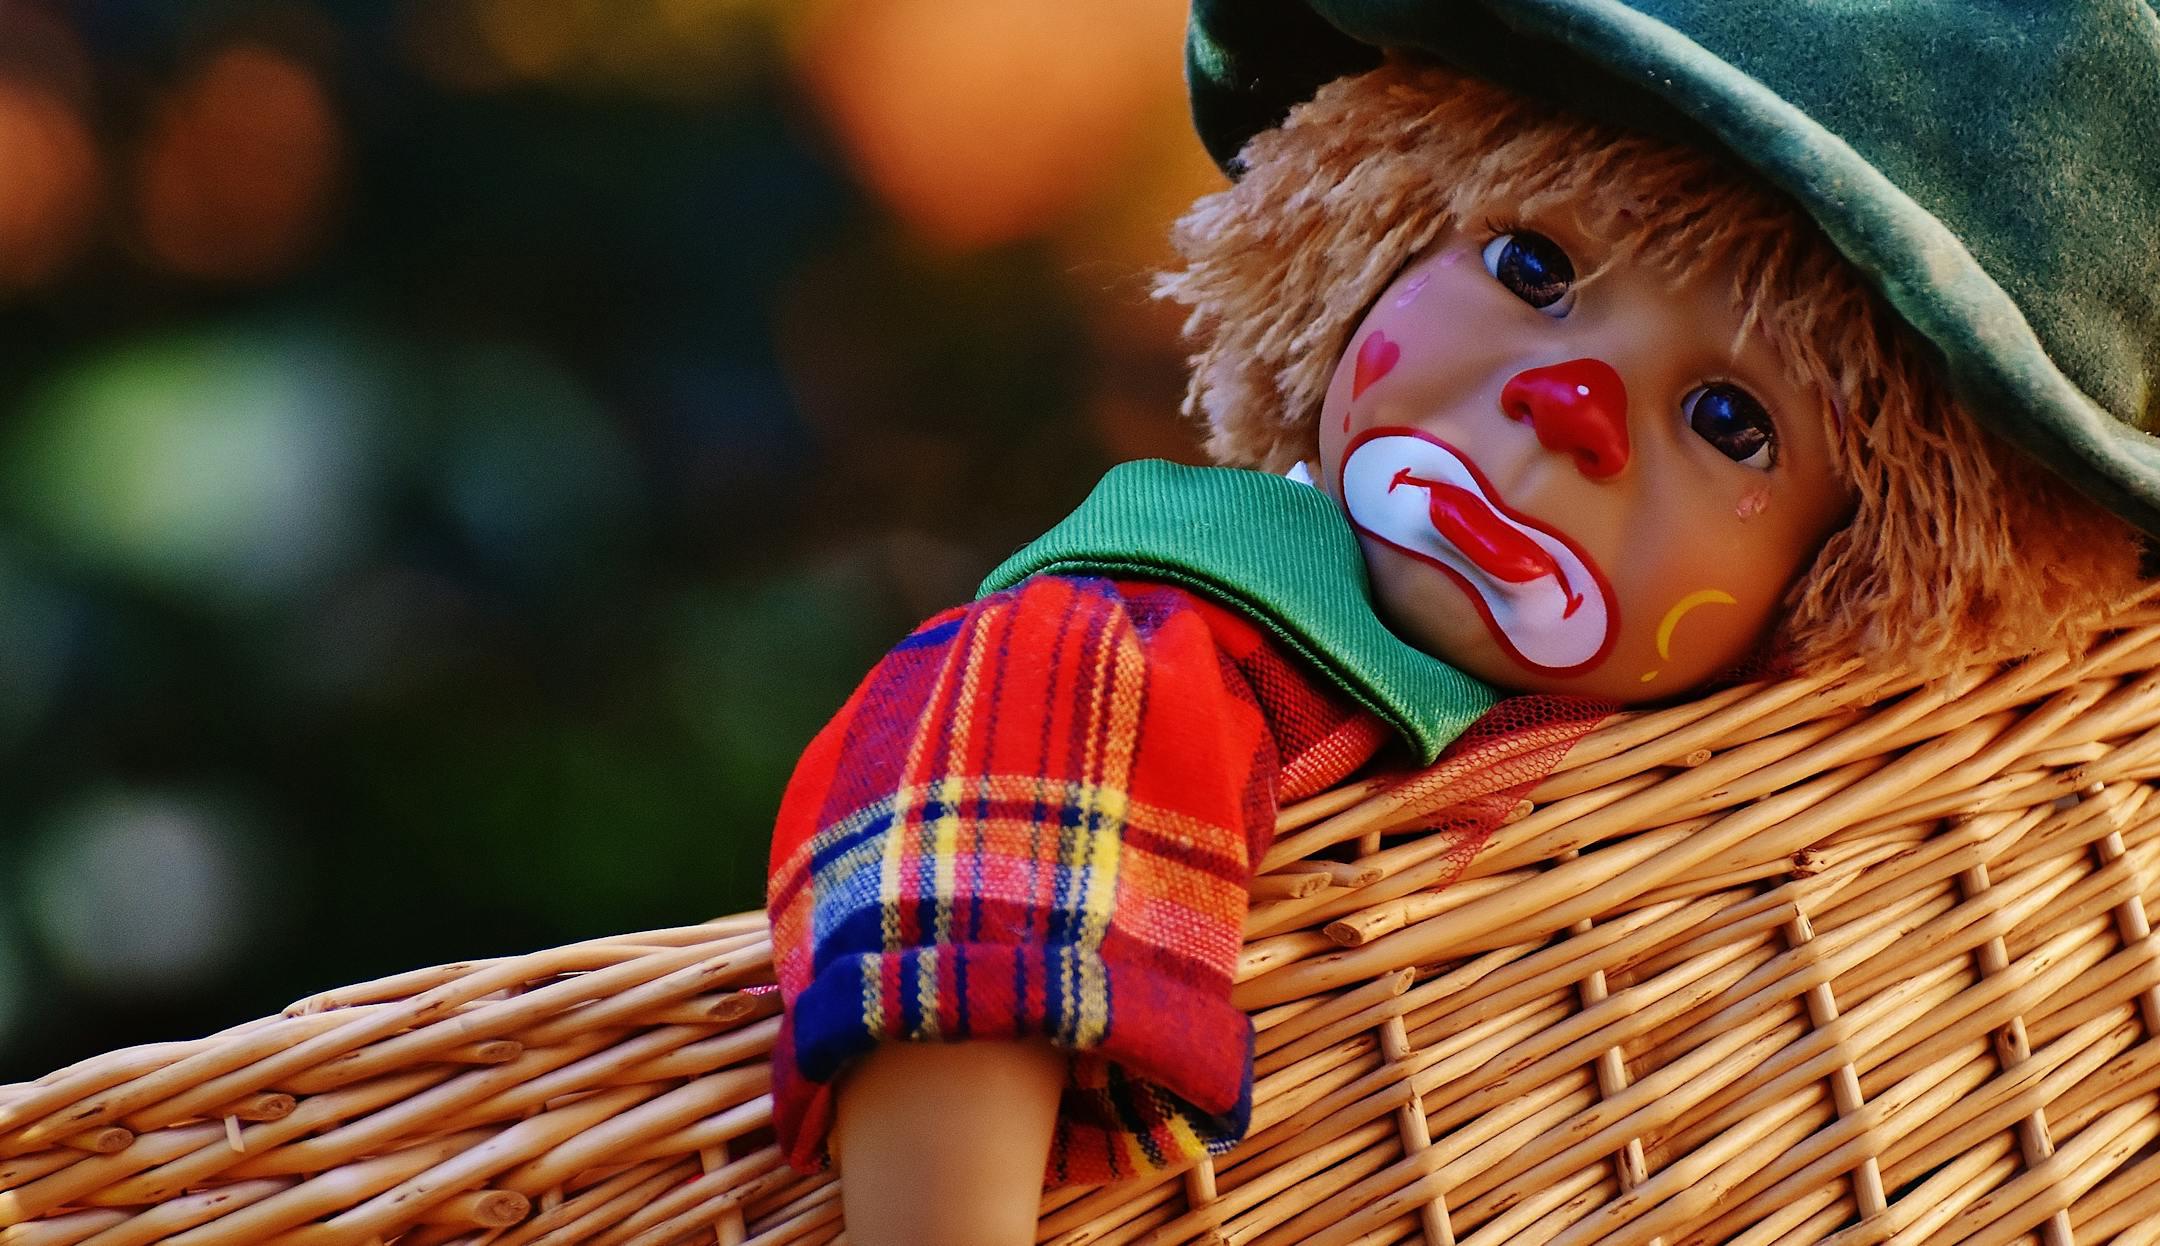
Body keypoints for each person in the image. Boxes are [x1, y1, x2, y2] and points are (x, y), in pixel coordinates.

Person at [767, 3, 2160, 1241]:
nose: (1574, 411)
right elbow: (969, 940)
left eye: (1731, 420)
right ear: (1357, 237)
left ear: (1856, 568)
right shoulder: (1150, 649)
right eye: (1532, 267)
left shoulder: (1791, 803)